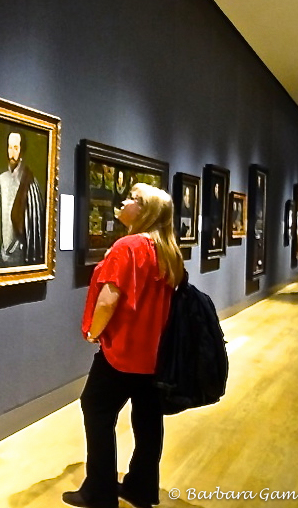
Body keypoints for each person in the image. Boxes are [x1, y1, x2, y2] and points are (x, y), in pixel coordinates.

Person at [63, 183, 184, 508]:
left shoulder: (127, 246)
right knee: (147, 421)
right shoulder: (168, 250)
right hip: (155, 354)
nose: (124, 201)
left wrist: (92, 331)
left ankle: (99, 492)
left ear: (145, 212)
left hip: (122, 353)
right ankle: (141, 488)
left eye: (133, 198)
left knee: (96, 409)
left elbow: (108, 300)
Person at [0, 131, 45, 269]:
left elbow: (37, 221)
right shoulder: (1, 180)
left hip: (23, 254)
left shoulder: (31, 182)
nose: (12, 153)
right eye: (10, 147)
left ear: (22, 150)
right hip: (4, 254)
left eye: (16, 148)